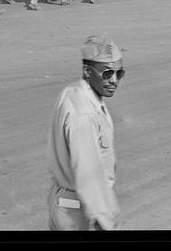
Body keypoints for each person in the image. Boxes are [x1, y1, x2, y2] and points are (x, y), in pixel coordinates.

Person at [46, 35, 124, 231]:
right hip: (76, 209)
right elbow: (89, 173)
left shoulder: (72, 92)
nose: (114, 80)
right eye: (107, 73)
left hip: (61, 202)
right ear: (87, 71)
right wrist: (106, 221)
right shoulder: (86, 114)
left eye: (119, 73)